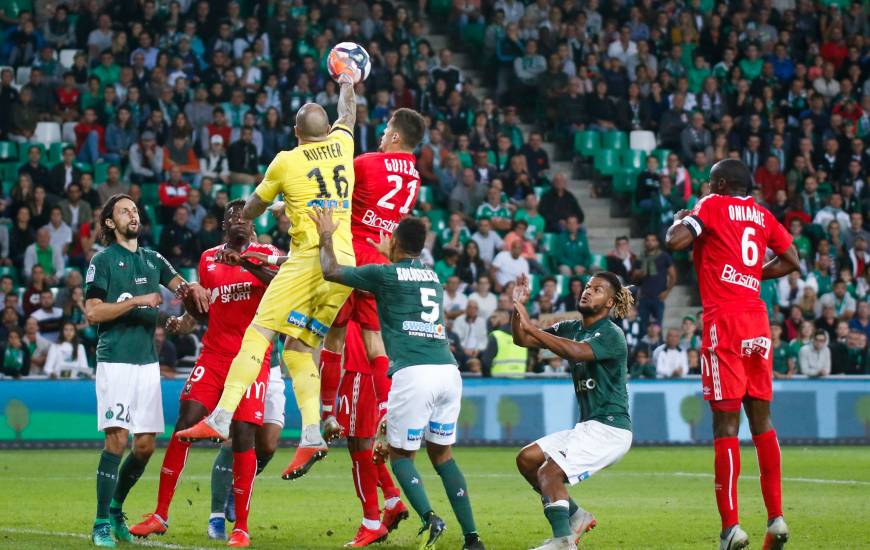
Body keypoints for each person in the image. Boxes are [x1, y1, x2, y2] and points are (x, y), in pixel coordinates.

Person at [176, 67, 359, 468]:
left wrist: (262, 206)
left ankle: (220, 417)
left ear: (296, 133)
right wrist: (347, 80)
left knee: (258, 334)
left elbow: (251, 208)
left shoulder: (285, 161)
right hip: (343, 266)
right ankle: (312, 433)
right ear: (328, 129)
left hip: (309, 260)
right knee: (299, 348)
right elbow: (349, 115)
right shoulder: (343, 146)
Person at [310, 212, 485, 550]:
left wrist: (327, 235)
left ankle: (429, 517)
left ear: (394, 242)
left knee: (400, 456)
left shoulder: (384, 274)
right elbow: (405, 272)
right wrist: (390, 250)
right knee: (443, 456)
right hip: (448, 371)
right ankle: (472, 538)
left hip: (414, 372)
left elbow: (330, 271)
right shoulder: (432, 276)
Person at [130, 200, 283, 547]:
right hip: (214, 355)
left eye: (245, 217)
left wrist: (245, 261)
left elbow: (280, 287)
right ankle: (160, 514)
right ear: (223, 227)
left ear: (254, 224)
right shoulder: (208, 259)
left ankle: (241, 526)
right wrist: (191, 304)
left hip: (253, 357)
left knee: (244, 436)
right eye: (232, 218)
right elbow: (205, 312)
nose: (239, 222)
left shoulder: (266, 252)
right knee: (185, 424)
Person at [665, 158, 799, 550]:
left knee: (725, 428)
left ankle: (731, 528)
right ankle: (776, 518)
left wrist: (686, 216)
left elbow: (675, 240)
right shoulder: (762, 214)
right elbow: (792, 260)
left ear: (721, 183)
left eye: (710, 182)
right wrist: (752, 273)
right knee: (763, 422)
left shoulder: (710, 204)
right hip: (757, 320)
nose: (707, 186)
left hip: (723, 320)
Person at [313, 108, 426, 545]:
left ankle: (322, 414)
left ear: (395, 135)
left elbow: (330, 180)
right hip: (381, 262)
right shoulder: (413, 175)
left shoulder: (368, 164)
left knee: (331, 334)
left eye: (384, 132)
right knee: (376, 340)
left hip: (351, 257)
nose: (380, 136)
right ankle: (384, 413)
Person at [84, 193, 209, 547]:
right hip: (116, 360)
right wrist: (139, 301)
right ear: (110, 222)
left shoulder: (153, 258)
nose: (132, 214)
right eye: (124, 211)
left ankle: (116, 508)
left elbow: (184, 291)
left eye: (135, 210)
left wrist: (191, 301)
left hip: (146, 365)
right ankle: (99, 523)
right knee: (117, 439)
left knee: (144, 447)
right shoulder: (103, 260)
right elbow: (93, 312)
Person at [512, 272, 634, 550]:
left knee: (549, 473)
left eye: (598, 289)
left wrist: (533, 328)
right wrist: (517, 308)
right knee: (528, 460)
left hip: (610, 428)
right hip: (589, 425)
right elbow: (522, 340)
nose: (588, 291)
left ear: (609, 302)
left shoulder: (611, 334)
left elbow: (577, 353)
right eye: (588, 286)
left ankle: (564, 541)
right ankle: (577, 516)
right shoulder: (572, 327)